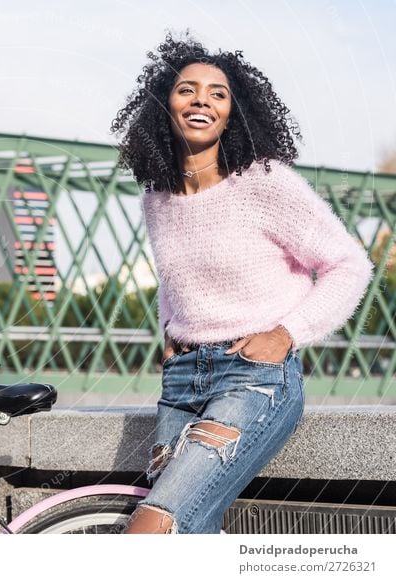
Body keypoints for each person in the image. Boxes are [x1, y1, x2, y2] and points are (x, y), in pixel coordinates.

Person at [109, 32, 374, 534]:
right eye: (187, 89)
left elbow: (348, 263)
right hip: (182, 380)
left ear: (234, 112)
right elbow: (175, 278)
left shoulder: (263, 182)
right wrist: (170, 331)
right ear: (163, 104)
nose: (202, 100)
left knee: (156, 526)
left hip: (253, 377)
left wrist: (287, 333)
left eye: (218, 92)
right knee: (194, 532)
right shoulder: (157, 201)